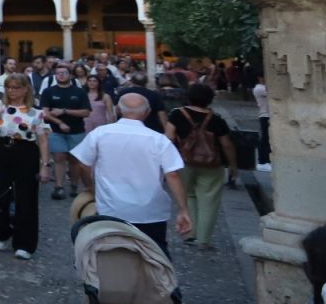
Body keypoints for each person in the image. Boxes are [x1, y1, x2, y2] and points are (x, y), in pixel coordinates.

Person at [69, 93, 193, 255]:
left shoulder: (100, 134)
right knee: (155, 253)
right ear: (147, 112)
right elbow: (173, 175)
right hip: (150, 211)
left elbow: (83, 164)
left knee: (109, 253)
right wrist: (183, 209)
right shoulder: (158, 140)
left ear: (118, 109)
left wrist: (91, 187)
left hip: (111, 208)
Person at [0, 73, 51, 260]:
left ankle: (24, 244)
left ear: (25, 89)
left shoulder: (35, 112)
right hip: (2, 149)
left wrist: (45, 165)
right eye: (8, 87)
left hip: (26, 151)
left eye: (16, 87)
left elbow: (43, 140)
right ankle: (3, 231)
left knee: (26, 197)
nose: (12, 91)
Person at [164, 83, 237, 250]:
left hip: (184, 162)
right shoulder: (217, 119)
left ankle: (190, 233)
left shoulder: (177, 114)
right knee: (209, 200)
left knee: (188, 196)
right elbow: (226, 144)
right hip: (212, 164)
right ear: (209, 99)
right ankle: (204, 240)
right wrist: (233, 165)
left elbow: (168, 138)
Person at [39, 63, 91, 201]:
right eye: (58, 73)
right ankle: (59, 186)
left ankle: (74, 185)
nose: (60, 75)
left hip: (77, 131)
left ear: (71, 75)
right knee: (58, 158)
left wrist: (64, 111)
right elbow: (45, 113)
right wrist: (60, 122)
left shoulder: (79, 92)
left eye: (64, 73)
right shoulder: (48, 92)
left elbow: (86, 112)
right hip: (55, 131)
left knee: (74, 160)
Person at [254, 77, 271, 169]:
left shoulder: (263, 88)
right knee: (265, 139)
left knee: (267, 139)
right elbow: (273, 92)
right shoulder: (259, 88)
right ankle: (262, 161)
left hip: (267, 115)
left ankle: (266, 160)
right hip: (265, 115)